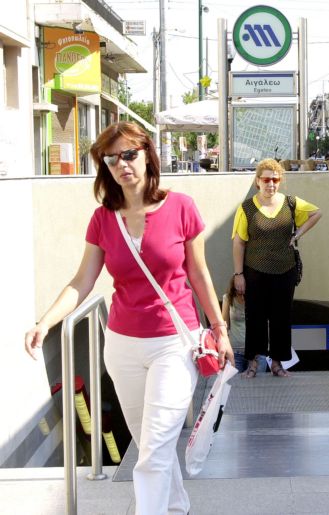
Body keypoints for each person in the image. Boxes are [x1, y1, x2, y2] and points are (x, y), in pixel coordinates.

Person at [24, 121, 233, 515]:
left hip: (175, 343)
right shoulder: (103, 219)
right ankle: (176, 508)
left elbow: (199, 274)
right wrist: (46, 322)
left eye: (129, 154)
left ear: (147, 155)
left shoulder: (182, 207)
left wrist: (219, 329)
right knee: (152, 445)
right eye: (111, 159)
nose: (121, 164)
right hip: (122, 348)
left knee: (153, 450)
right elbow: (82, 281)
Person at [231, 158, 322, 378]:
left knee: (281, 318)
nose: (270, 184)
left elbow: (316, 213)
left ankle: (277, 364)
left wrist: (298, 234)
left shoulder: (291, 203)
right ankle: (253, 363)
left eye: (275, 179)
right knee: (255, 318)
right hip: (254, 271)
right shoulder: (246, 208)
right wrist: (238, 274)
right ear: (258, 181)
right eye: (266, 180)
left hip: (285, 270)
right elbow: (239, 242)